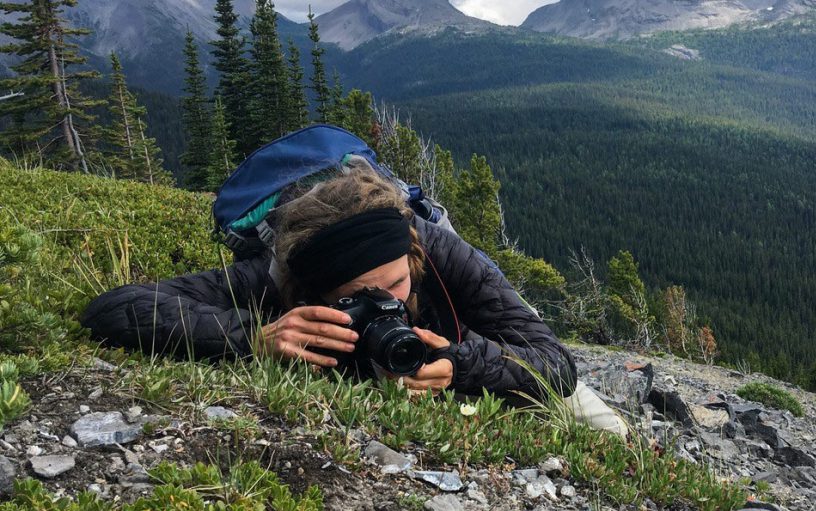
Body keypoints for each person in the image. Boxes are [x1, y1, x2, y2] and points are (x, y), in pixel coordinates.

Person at [81, 159, 577, 402]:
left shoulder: (444, 253)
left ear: (413, 252)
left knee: (594, 421)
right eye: (356, 298)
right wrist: (254, 337)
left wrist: (461, 366)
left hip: (468, 350)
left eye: (398, 284)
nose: (390, 304)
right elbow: (114, 306)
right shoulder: (281, 274)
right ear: (314, 290)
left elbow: (555, 363)